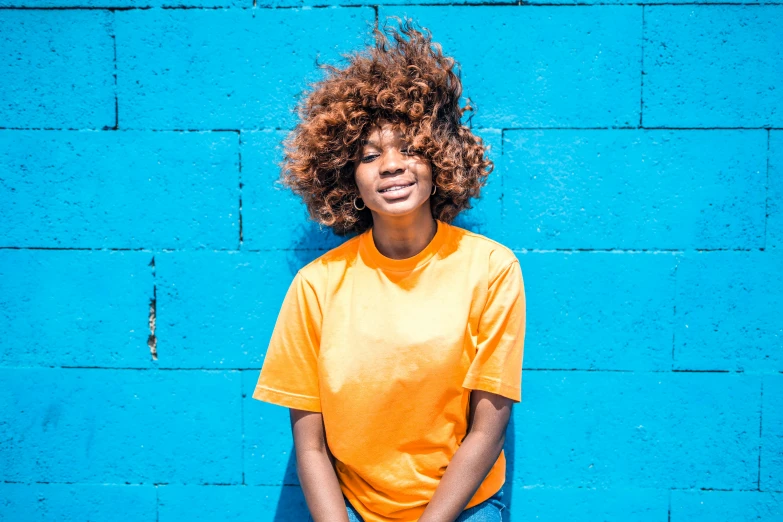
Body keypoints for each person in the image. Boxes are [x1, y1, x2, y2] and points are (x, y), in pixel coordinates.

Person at [251, 16, 526, 522]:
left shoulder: (491, 269)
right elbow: (310, 444)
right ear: (345, 178)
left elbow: (488, 428)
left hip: (463, 506)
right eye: (370, 155)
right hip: (352, 507)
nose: (391, 165)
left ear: (440, 159)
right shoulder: (316, 286)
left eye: (410, 148)